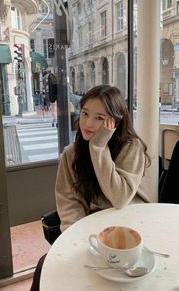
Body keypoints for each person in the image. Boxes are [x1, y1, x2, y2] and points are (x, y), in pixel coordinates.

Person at [30, 84, 151, 291]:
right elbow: (69, 203)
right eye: (85, 113)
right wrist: (74, 242)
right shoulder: (71, 154)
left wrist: (98, 148)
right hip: (92, 230)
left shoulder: (131, 148)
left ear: (115, 121)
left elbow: (120, 197)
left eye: (99, 118)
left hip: (130, 226)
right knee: (45, 266)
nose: (87, 123)